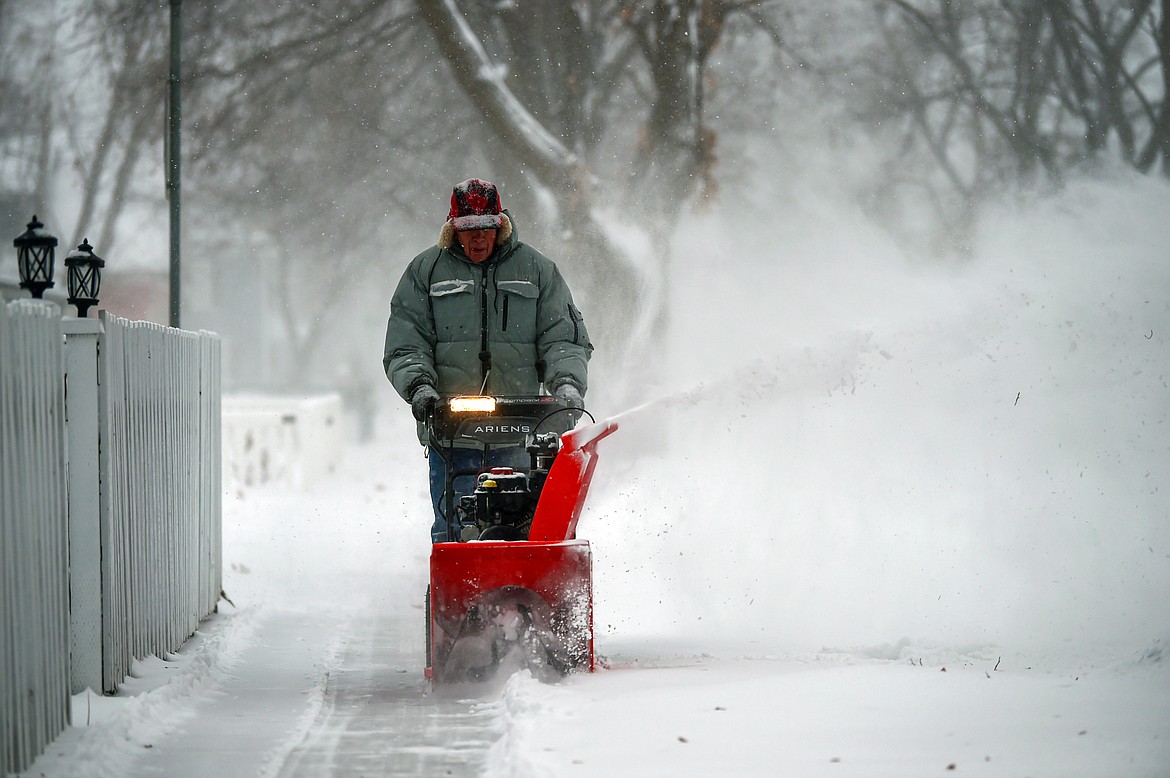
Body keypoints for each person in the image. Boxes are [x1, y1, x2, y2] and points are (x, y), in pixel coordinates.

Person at [383, 178, 593, 542]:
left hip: (522, 431)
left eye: (486, 229)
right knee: (453, 525)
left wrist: (567, 383)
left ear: (501, 225)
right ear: (453, 229)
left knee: (528, 525)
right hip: (452, 433)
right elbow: (406, 343)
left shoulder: (538, 271)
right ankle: (453, 589)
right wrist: (420, 389)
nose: (478, 238)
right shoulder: (425, 273)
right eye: (468, 230)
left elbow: (563, 338)